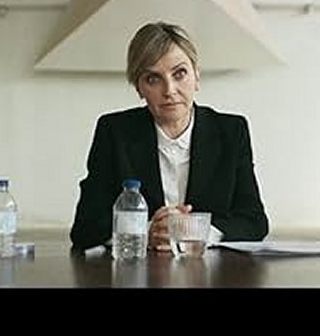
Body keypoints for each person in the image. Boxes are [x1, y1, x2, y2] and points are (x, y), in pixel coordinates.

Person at [70, 21, 269, 252]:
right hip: (139, 269)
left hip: (210, 268)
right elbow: (84, 228)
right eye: (153, 79)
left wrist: (197, 231)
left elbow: (254, 222)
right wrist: (145, 231)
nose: (169, 90)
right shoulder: (115, 132)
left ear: (197, 76)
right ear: (139, 88)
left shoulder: (231, 131)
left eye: (179, 74)